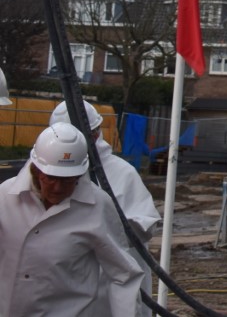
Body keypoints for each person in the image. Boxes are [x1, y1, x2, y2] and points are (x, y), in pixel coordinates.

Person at [0, 123, 144, 316]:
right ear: (36, 170)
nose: (58, 188)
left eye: (68, 180)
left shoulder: (97, 206)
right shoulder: (5, 198)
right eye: (50, 178)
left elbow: (123, 274)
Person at [52, 100, 161, 315]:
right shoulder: (44, 174)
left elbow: (144, 227)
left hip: (109, 291)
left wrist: (101, 231)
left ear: (95, 134)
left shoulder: (121, 174)